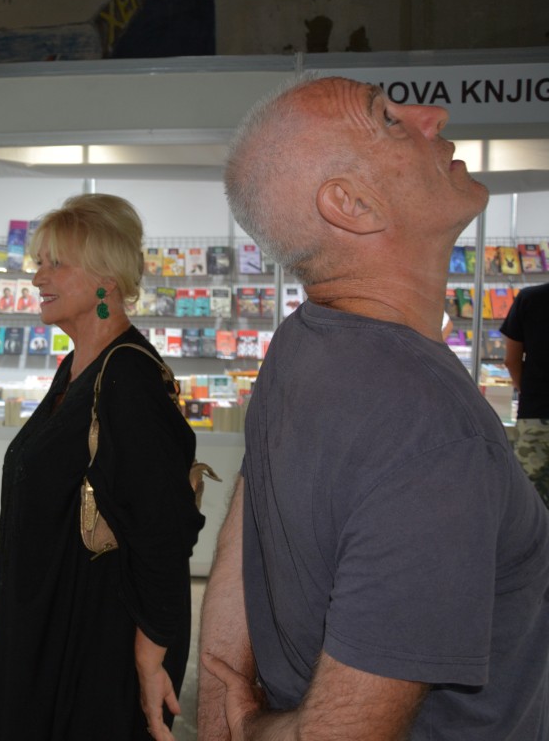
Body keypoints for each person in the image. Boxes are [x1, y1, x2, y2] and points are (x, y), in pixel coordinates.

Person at [198, 76, 549, 740]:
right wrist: (249, 727)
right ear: (352, 204)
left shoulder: (302, 341)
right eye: (387, 118)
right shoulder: (435, 436)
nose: (432, 113)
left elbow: (245, 532)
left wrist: (220, 701)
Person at [0, 193, 205, 741]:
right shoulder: (80, 364)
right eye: (39, 263)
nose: (38, 278)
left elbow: (163, 534)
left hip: (92, 643)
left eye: (56, 263)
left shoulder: (126, 378)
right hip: (49, 627)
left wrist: (151, 657)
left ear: (106, 277)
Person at [502, 281, 549, 507]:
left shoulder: (529, 298)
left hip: (535, 414)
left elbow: (511, 360)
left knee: (531, 503)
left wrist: (527, 391)